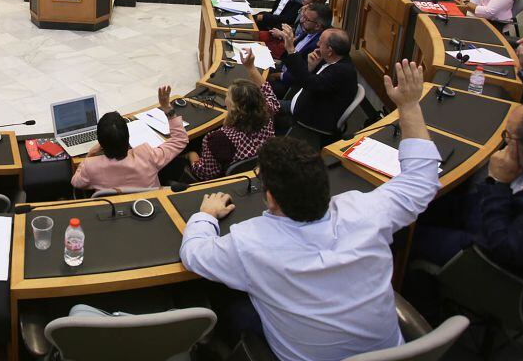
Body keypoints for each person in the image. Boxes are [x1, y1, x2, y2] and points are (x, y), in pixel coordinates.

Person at [180, 61, 441, 361]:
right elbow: (422, 180)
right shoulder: (368, 209)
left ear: (272, 199)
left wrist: (206, 216)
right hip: (395, 354)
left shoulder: (250, 243)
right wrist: (409, 106)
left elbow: (194, 254)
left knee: (227, 303)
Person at [412, 102, 523, 338]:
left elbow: (499, 246)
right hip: (513, 222)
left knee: (408, 233)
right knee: (428, 205)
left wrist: (497, 183)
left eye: (509, 138)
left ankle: (419, 314)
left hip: (492, 260)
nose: (505, 144)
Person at [71, 85, 187, 192]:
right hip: (149, 205)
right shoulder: (148, 155)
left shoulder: (90, 166)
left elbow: (76, 182)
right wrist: (167, 108)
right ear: (128, 137)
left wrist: (89, 155)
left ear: (100, 143)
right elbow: (180, 139)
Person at [187, 50, 279, 181]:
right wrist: (251, 67)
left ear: (235, 108)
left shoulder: (218, 140)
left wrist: (191, 155)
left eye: (227, 96)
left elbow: (204, 173)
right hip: (261, 173)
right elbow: (269, 93)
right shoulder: (268, 113)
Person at [275, 27, 358, 141]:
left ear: (330, 50)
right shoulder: (331, 60)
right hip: (301, 104)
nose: (317, 44)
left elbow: (311, 84)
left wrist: (291, 50)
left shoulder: (342, 71)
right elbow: (311, 82)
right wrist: (311, 67)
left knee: (255, 106)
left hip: (309, 116)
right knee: (259, 103)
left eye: (321, 41)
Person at [271, 3, 333, 96]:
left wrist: (278, 75)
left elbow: (301, 73)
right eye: (303, 16)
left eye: (306, 19)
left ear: (317, 26)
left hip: (288, 84)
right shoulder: (309, 31)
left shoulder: (319, 45)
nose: (301, 20)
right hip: (285, 67)